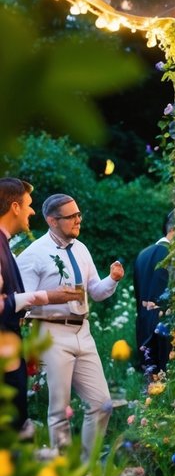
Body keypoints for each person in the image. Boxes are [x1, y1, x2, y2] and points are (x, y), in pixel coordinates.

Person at [17, 193, 124, 454]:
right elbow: (21, 302)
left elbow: (95, 292)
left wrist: (112, 279)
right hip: (52, 333)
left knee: (101, 403)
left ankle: (87, 469)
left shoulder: (82, 248)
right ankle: (62, 471)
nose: (78, 220)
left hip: (83, 332)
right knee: (59, 410)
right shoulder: (33, 255)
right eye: (71, 216)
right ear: (52, 221)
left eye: (79, 214)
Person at [0, 178, 78, 434]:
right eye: (29, 205)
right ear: (14, 207)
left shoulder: (6, 245)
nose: (32, 211)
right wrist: (46, 296)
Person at [133, 210, 175, 374]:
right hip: (166, 325)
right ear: (174, 229)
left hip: (144, 324)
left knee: (152, 383)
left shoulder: (142, 254)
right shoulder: (174, 255)